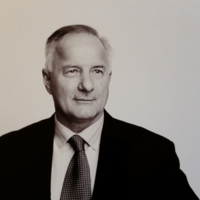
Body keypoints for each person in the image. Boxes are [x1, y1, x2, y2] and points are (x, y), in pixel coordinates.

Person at [0, 25, 198, 200]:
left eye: (97, 71)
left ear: (108, 78)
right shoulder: (7, 153)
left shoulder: (153, 155)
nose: (87, 85)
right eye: (73, 71)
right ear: (47, 80)